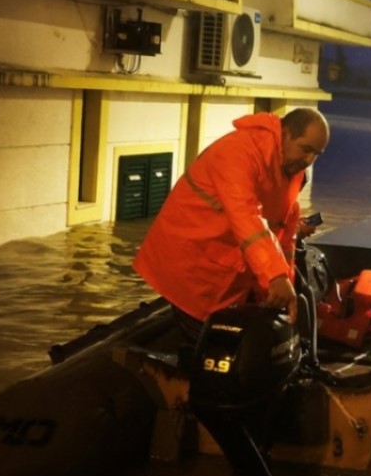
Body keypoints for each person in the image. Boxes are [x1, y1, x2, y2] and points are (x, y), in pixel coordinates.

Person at [134, 107, 330, 340]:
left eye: (316, 154)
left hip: (228, 272)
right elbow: (246, 216)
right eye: (306, 149)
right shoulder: (238, 152)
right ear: (286, 134)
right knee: (212, 344)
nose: (309, 161)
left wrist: (281, 283)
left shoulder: (289, 170)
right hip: (192, 268)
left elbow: (282, 236)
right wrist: (275, 277)